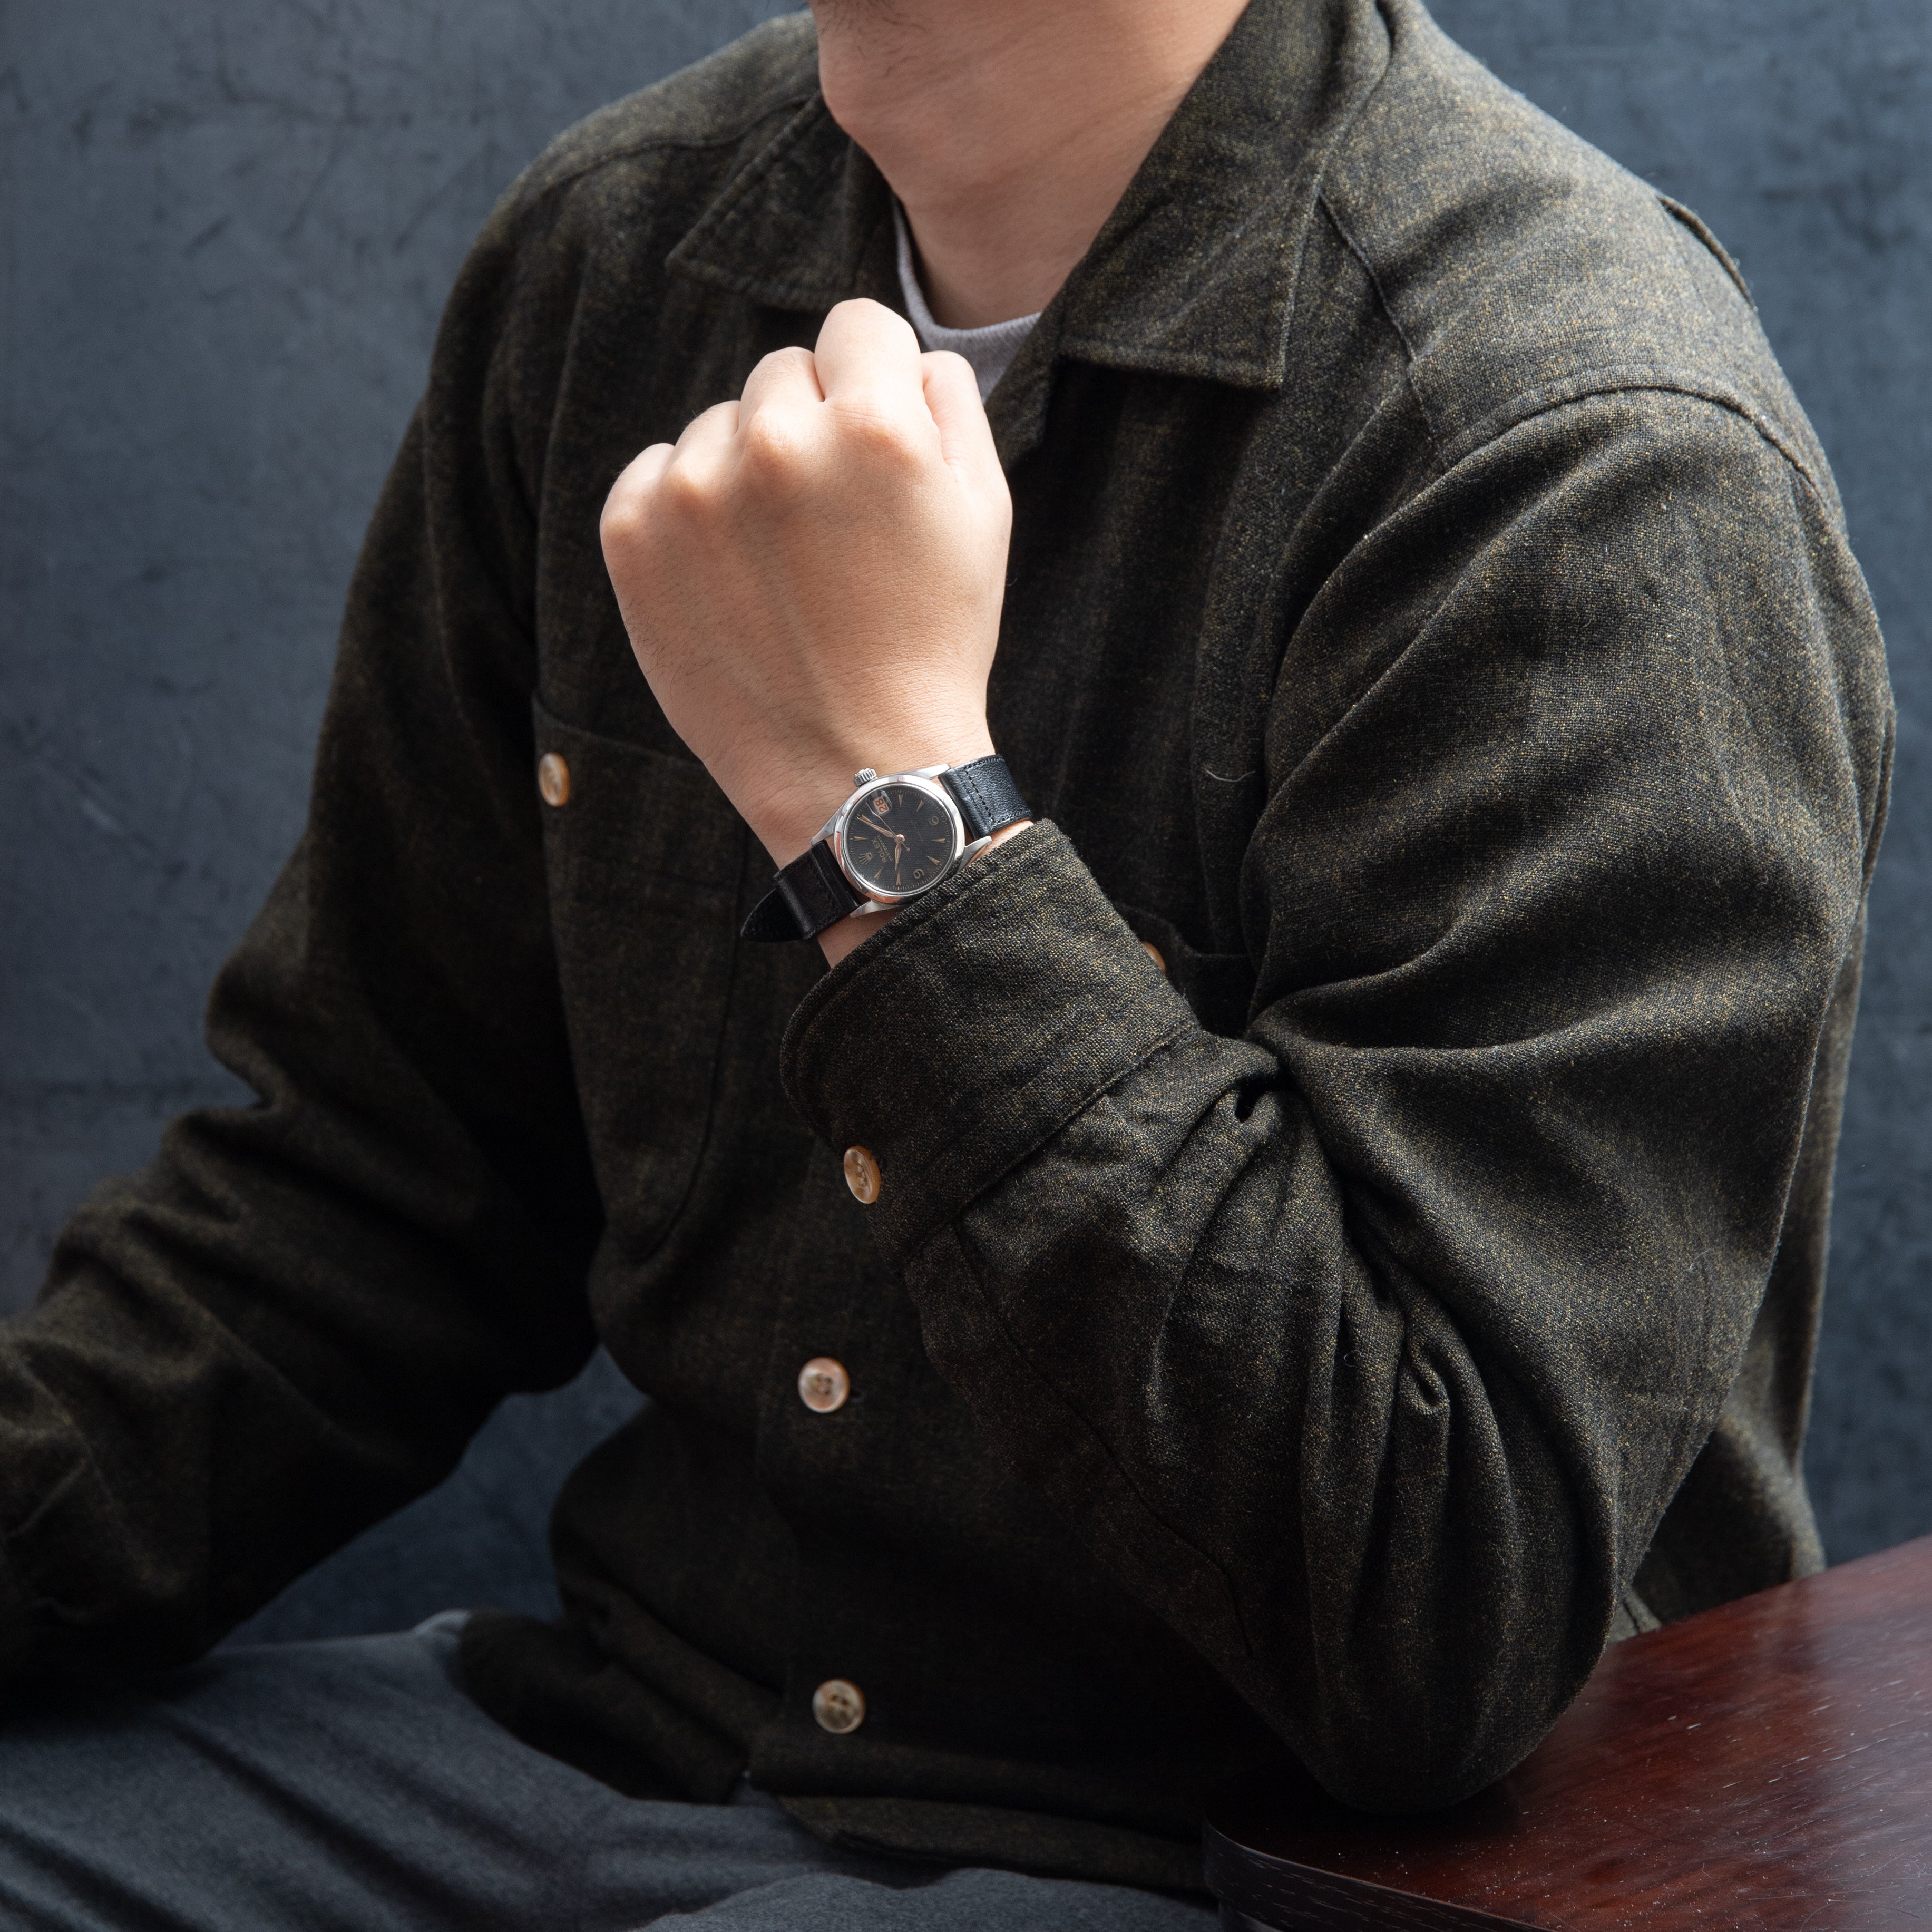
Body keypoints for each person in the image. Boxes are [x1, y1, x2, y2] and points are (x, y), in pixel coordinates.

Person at [0, 0, 1892, 1924]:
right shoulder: (614, 253)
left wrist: (889, 818)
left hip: (1241, 1855)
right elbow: (365, 1189)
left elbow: (1433, 1604)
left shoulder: (1576, 450)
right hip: (626, 1735)